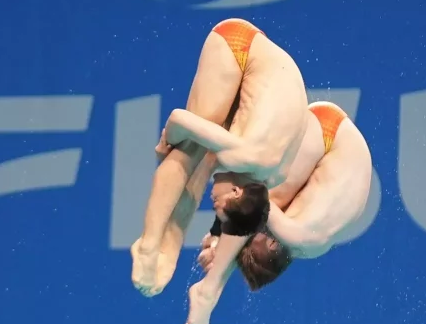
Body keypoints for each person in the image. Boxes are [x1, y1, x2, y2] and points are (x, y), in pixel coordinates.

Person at [129, 18, 309, 297]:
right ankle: (148, 246)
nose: (212, 201)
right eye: (217, 205)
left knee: (202, 163)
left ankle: (169, 250)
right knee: (188, 151)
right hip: (239, 45)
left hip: (273, 74)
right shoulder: (248, 155)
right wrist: (168, 142)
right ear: (237, 192)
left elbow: (201, 184)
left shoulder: (270, 177)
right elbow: (178, 119)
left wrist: (209, 241)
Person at [184, 100, 372, 324]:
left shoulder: (306, 245)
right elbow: (251, 201)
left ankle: (210, 289)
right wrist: (216, 245)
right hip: (330, 135)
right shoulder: (297, 234)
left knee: (256, 199)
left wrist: (218, 241)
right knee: (256, 193)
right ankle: (208, 291)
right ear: (273, 244)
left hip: (339, 142)